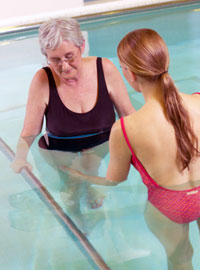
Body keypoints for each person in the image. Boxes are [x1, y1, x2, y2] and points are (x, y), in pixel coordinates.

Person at [61, 28, 200, 269]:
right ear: (166, 61)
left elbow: (114, 181)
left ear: (130, 75)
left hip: (168, 205)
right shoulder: (198, 101)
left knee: (181, 259)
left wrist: (81, 176)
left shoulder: (125, 128)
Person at [11, 18, 135, 232]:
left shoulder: (104, 68)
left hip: (100, 143)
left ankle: (88, 186)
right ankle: (78, 222)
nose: (64, 67)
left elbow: (128, 115)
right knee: (70, 190)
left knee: (89, 168)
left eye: (70, 57)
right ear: (46, 57)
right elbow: (30, 131)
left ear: (82, 47)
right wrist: (20, 156)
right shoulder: (42, 80)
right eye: (55, 60)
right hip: (60, 148)